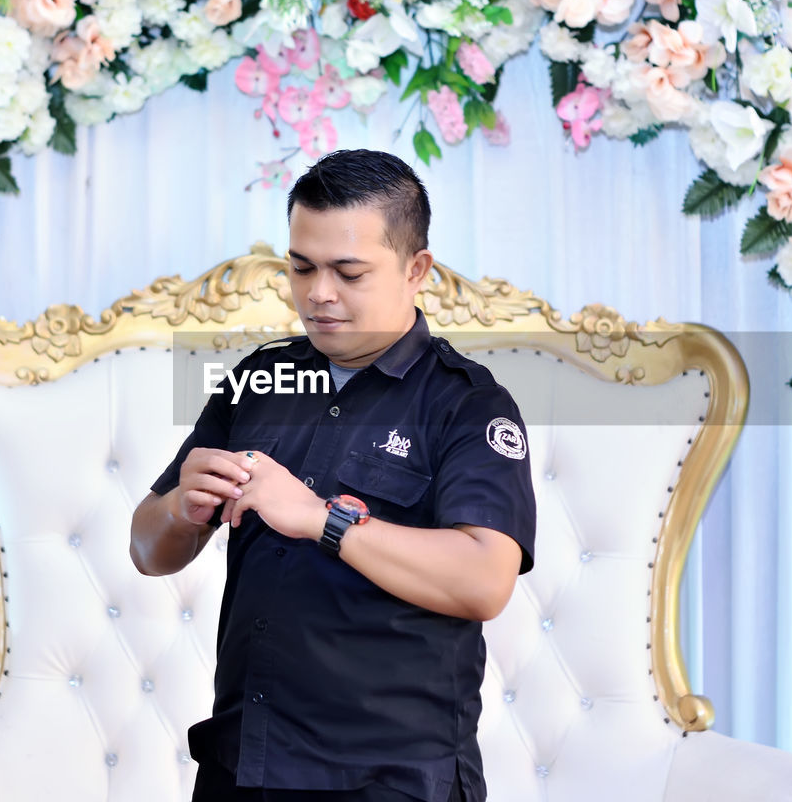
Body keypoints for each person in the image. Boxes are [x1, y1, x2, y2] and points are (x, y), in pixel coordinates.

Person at [130, 149, 536, 802]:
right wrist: (183, 505)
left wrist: (324, 520)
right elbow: (147, 551)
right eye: (301, 267)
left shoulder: (468, 404)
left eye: (349, 272)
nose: (318, 293)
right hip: (243, 767)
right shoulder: (259, 380)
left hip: (393, 782)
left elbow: (485, 581)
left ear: (416, 270)